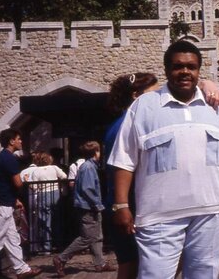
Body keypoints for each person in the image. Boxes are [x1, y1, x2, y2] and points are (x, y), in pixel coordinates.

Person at [109, 41, 219, 278]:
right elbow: (124, 159)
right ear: (167, 70)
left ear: (198, 71)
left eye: (191, 67)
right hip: (159, 217)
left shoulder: (216, 106)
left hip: (210, 213)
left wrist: (210, 84)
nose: (185, 72)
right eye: (178, 67)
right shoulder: (144, 106)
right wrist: (121, 205)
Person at [104, 72, 158, 279]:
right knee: (132, 264)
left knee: (132, 263)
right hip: (129, 206)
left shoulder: (120, 124)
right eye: (152, 94)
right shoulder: (125, 126)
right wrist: (122, 206)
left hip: (127, 204)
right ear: (136, 95)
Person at [0, 129, 42, 279]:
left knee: (12, 239)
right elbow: (17, 183)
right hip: (1, 205)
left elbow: (2, 183)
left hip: (1, 203)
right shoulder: (9, 159)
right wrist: (25, 180)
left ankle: (21, 269)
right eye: (19, 139)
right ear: (11, 141)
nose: (21, 141)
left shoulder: (2, 158)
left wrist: (15, 200)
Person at [53, 141, 115, 277]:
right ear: (95, 152)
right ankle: (61, 258)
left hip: (90, 206)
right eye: (99, 151)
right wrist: (97, 204)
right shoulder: (88, 167)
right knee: (87, 237)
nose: (100, 153)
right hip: (88, 207)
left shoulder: (89, 166)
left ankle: (100, 263)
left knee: (97, 236)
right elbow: (87, 189)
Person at [30, 152, 67, 252]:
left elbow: (34, 187)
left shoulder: (36, 171)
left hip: (43, 194)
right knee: (57, 219)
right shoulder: (54, 168)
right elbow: (64, 176)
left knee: (45, 221)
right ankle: (59, 244)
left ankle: (47, 247)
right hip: (55, 193)